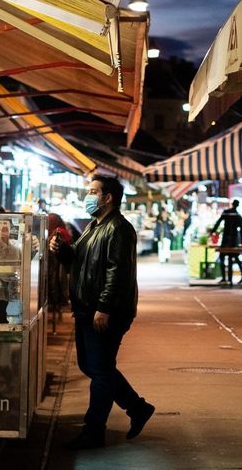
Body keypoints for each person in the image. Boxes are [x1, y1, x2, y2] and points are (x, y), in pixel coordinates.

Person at [47, 174, 154, 450]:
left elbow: (117, 272)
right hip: (86, 308)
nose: (88, 196)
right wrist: (61, 251)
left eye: (93, 191)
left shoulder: (119, 228)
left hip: (106, 311)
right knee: (92, 366)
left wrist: (104, 308)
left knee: (101, 370)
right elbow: (79, 263)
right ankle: (137, 408)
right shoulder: (95, 226)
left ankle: (94, 430)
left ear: (108, 198)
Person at [209, 200, 242, 284]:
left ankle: (224, 278)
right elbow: (241, 230)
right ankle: (235, 278)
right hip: (234, 240)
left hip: (226, 239)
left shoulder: (226, 213)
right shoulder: (238, 216)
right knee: (234, 258)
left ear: (232, 204)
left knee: (222, 257)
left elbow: (218, 223)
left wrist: (212, 232)